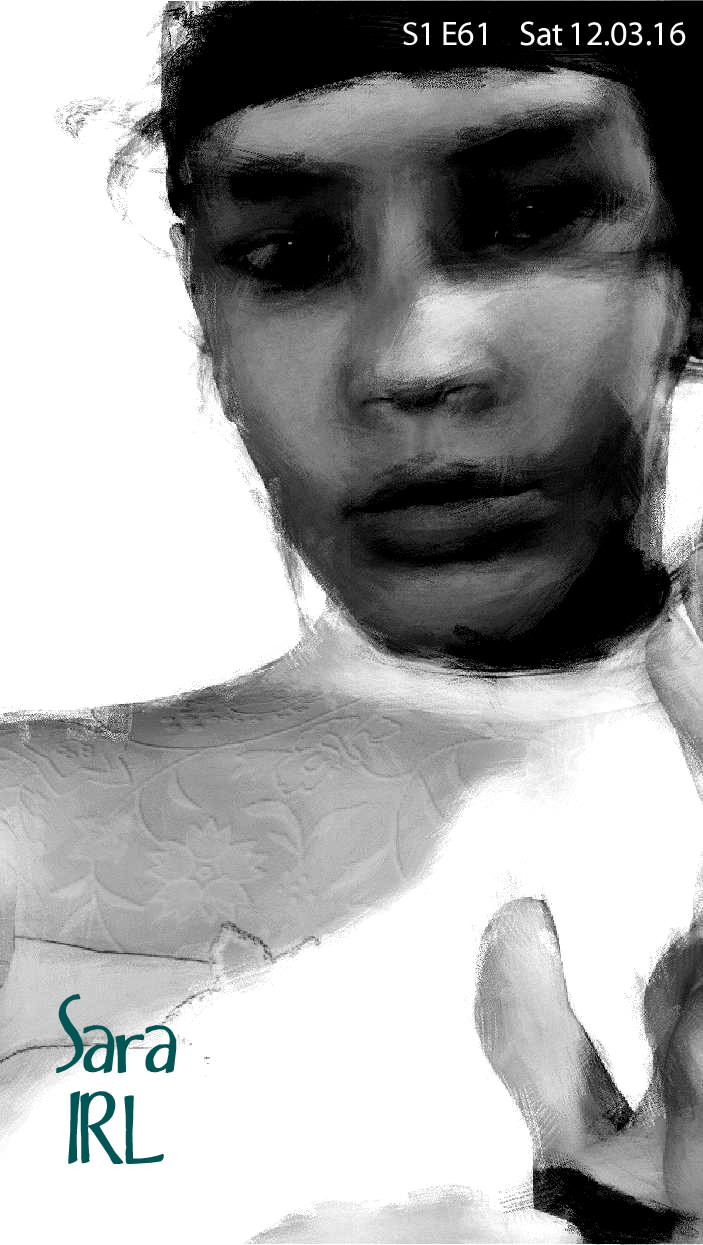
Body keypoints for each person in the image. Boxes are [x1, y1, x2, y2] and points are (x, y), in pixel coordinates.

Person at [1, 4, 703, 1240]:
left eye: (532, 218)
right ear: (207, 319)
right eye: (286, 256)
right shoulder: (27, 838)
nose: (410, 362)